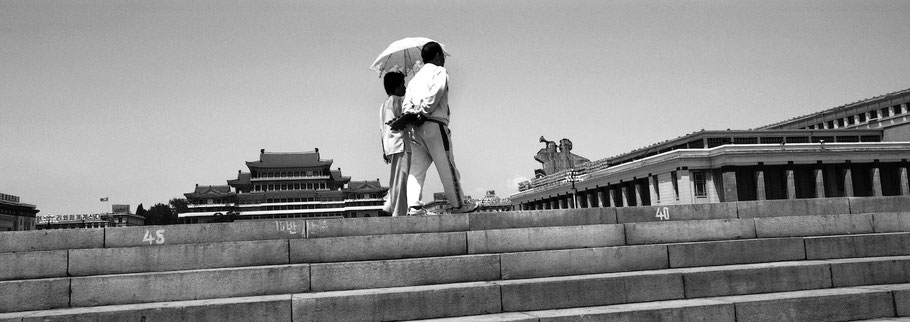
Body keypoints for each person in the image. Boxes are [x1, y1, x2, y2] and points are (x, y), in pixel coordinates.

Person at [401, 41, 477, 214]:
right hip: (434, 125)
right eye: (442, 55)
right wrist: (424, 111)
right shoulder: (439, 71)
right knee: (447, 168)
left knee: (416, 170)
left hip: (414, 128)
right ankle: (458, 205)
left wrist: (414, 113)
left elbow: (406, 104)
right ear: (437, 55)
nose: (444, 59)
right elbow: (437, 91)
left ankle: (413, 206)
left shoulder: (413, 80)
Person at [379, 71, 409, 216]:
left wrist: (384, 150)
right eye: (403, 84)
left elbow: (382, 129)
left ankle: (389, 206)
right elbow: (403, 121)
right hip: (401, 144)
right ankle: (398, 211)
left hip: (390, 145)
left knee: (396, 179)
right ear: (396, 87)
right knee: (401, 180)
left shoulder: (384, 105)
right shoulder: (398, 101)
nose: (405, 87)